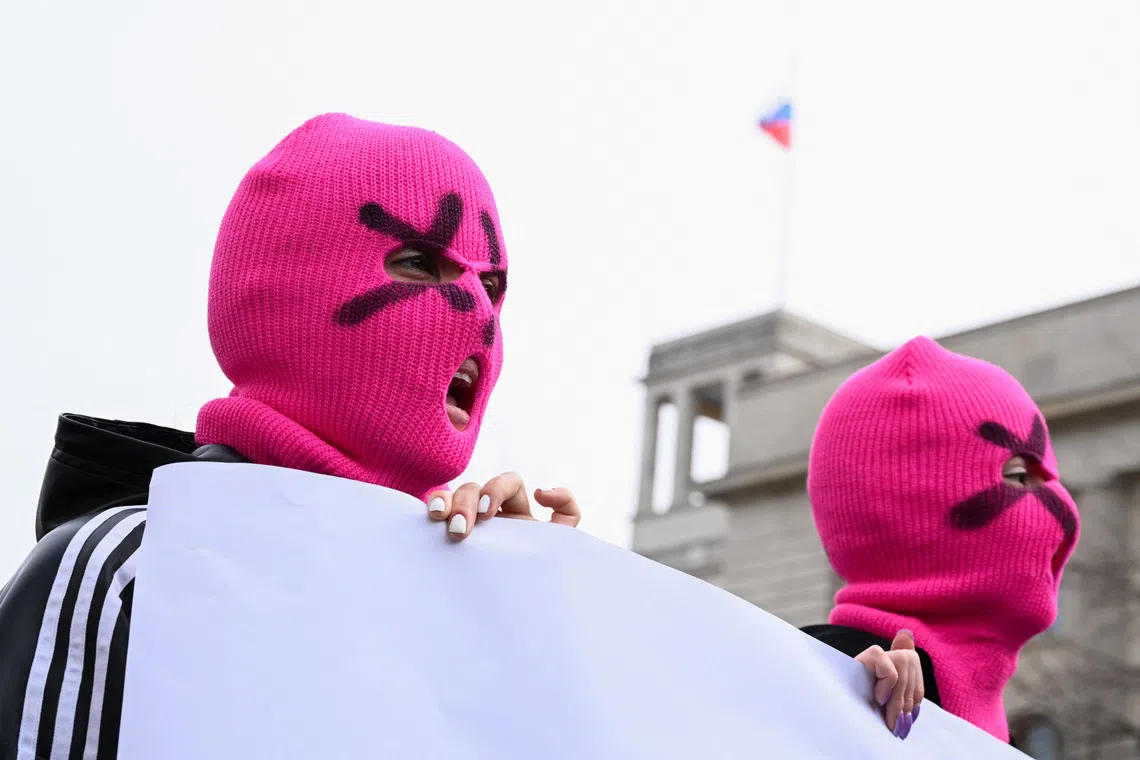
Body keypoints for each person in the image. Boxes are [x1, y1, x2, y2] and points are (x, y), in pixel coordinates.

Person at [0, 114, 579, 760]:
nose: (476, 315)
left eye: (491, 286)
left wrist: (546, 640)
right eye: (419, 263)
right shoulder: (129, 575)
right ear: (286, 286)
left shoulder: (462, 609)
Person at [801, 336, 1080, 744]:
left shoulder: (994, 716)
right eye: (1019, 476)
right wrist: (835, 700)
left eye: (1048, 477)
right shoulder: (827, 676)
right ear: (906, 506)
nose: (1063, 506)